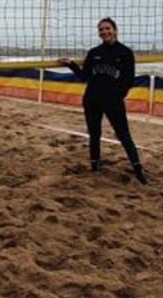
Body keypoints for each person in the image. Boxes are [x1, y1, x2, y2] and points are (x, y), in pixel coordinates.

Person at [58, 17, 147, 184]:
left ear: (115, 30)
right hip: (92, 100)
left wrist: (117, 96)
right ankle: (94, 167)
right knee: (94, 134)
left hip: (113, 102)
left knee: (123, 135)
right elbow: (84, 76)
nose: (104, 32)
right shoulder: (94, 53)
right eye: (101, 29)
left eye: (107, 28)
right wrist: (71, 64)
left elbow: (129, 81)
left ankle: (138, 170)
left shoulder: (125, 53)